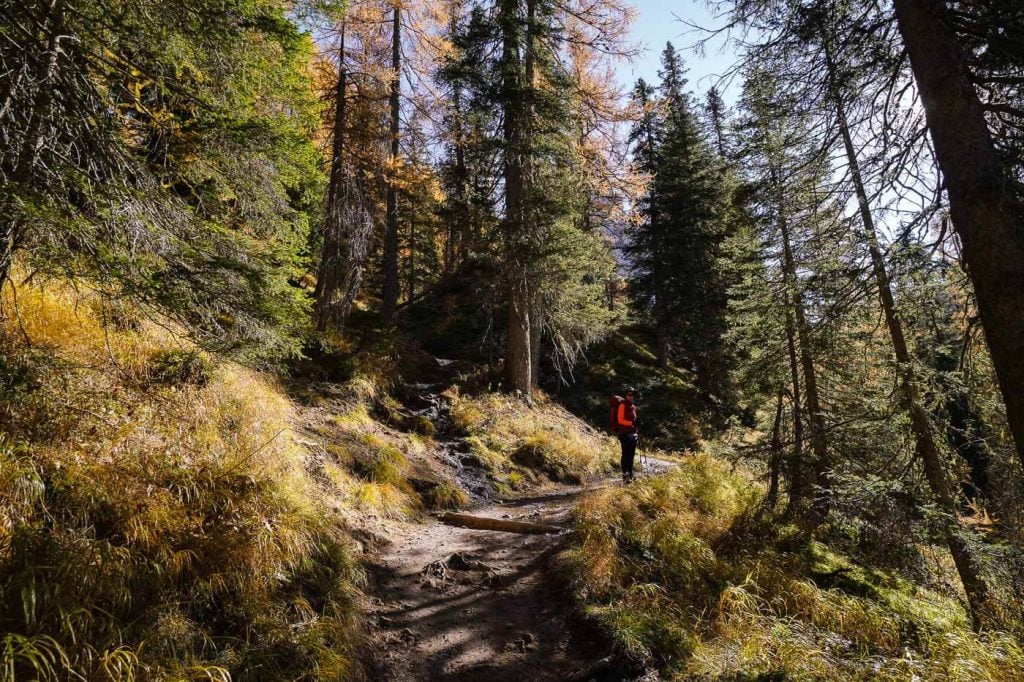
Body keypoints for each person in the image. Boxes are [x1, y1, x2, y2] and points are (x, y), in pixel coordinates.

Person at [613, 387, 640, 483]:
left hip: (633, 434)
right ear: (626, 395)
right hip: (624, 434)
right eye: (629, 394)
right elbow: (620, 420)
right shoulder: (622, 405)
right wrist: (632, 423)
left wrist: (637, 424)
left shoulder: (633, 407)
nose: (631, 396)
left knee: (631, 455)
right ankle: (625, 475)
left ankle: (630, 474)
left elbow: (634, 420)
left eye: (632, 394)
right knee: (625, 454)